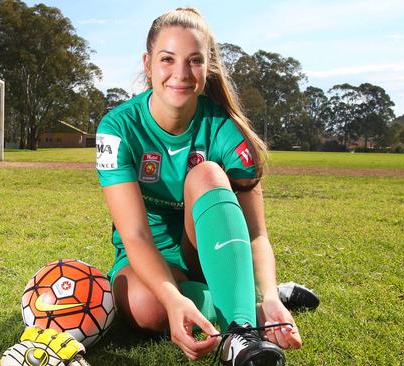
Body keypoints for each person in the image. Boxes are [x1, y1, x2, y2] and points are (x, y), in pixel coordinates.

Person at [95, 7, 302, 365]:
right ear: (147, 64)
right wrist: (173, 300)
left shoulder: (225, 130)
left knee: (206, 173)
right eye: (167, 59)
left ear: (208, 68)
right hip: (147, 252)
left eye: (194, 61)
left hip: (206, 250)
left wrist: (270, 291)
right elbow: (136, 236)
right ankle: (240, 295)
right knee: (147, 309)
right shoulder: (117, 128)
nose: (180, 73)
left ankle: (240, 332)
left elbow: (255, 235)